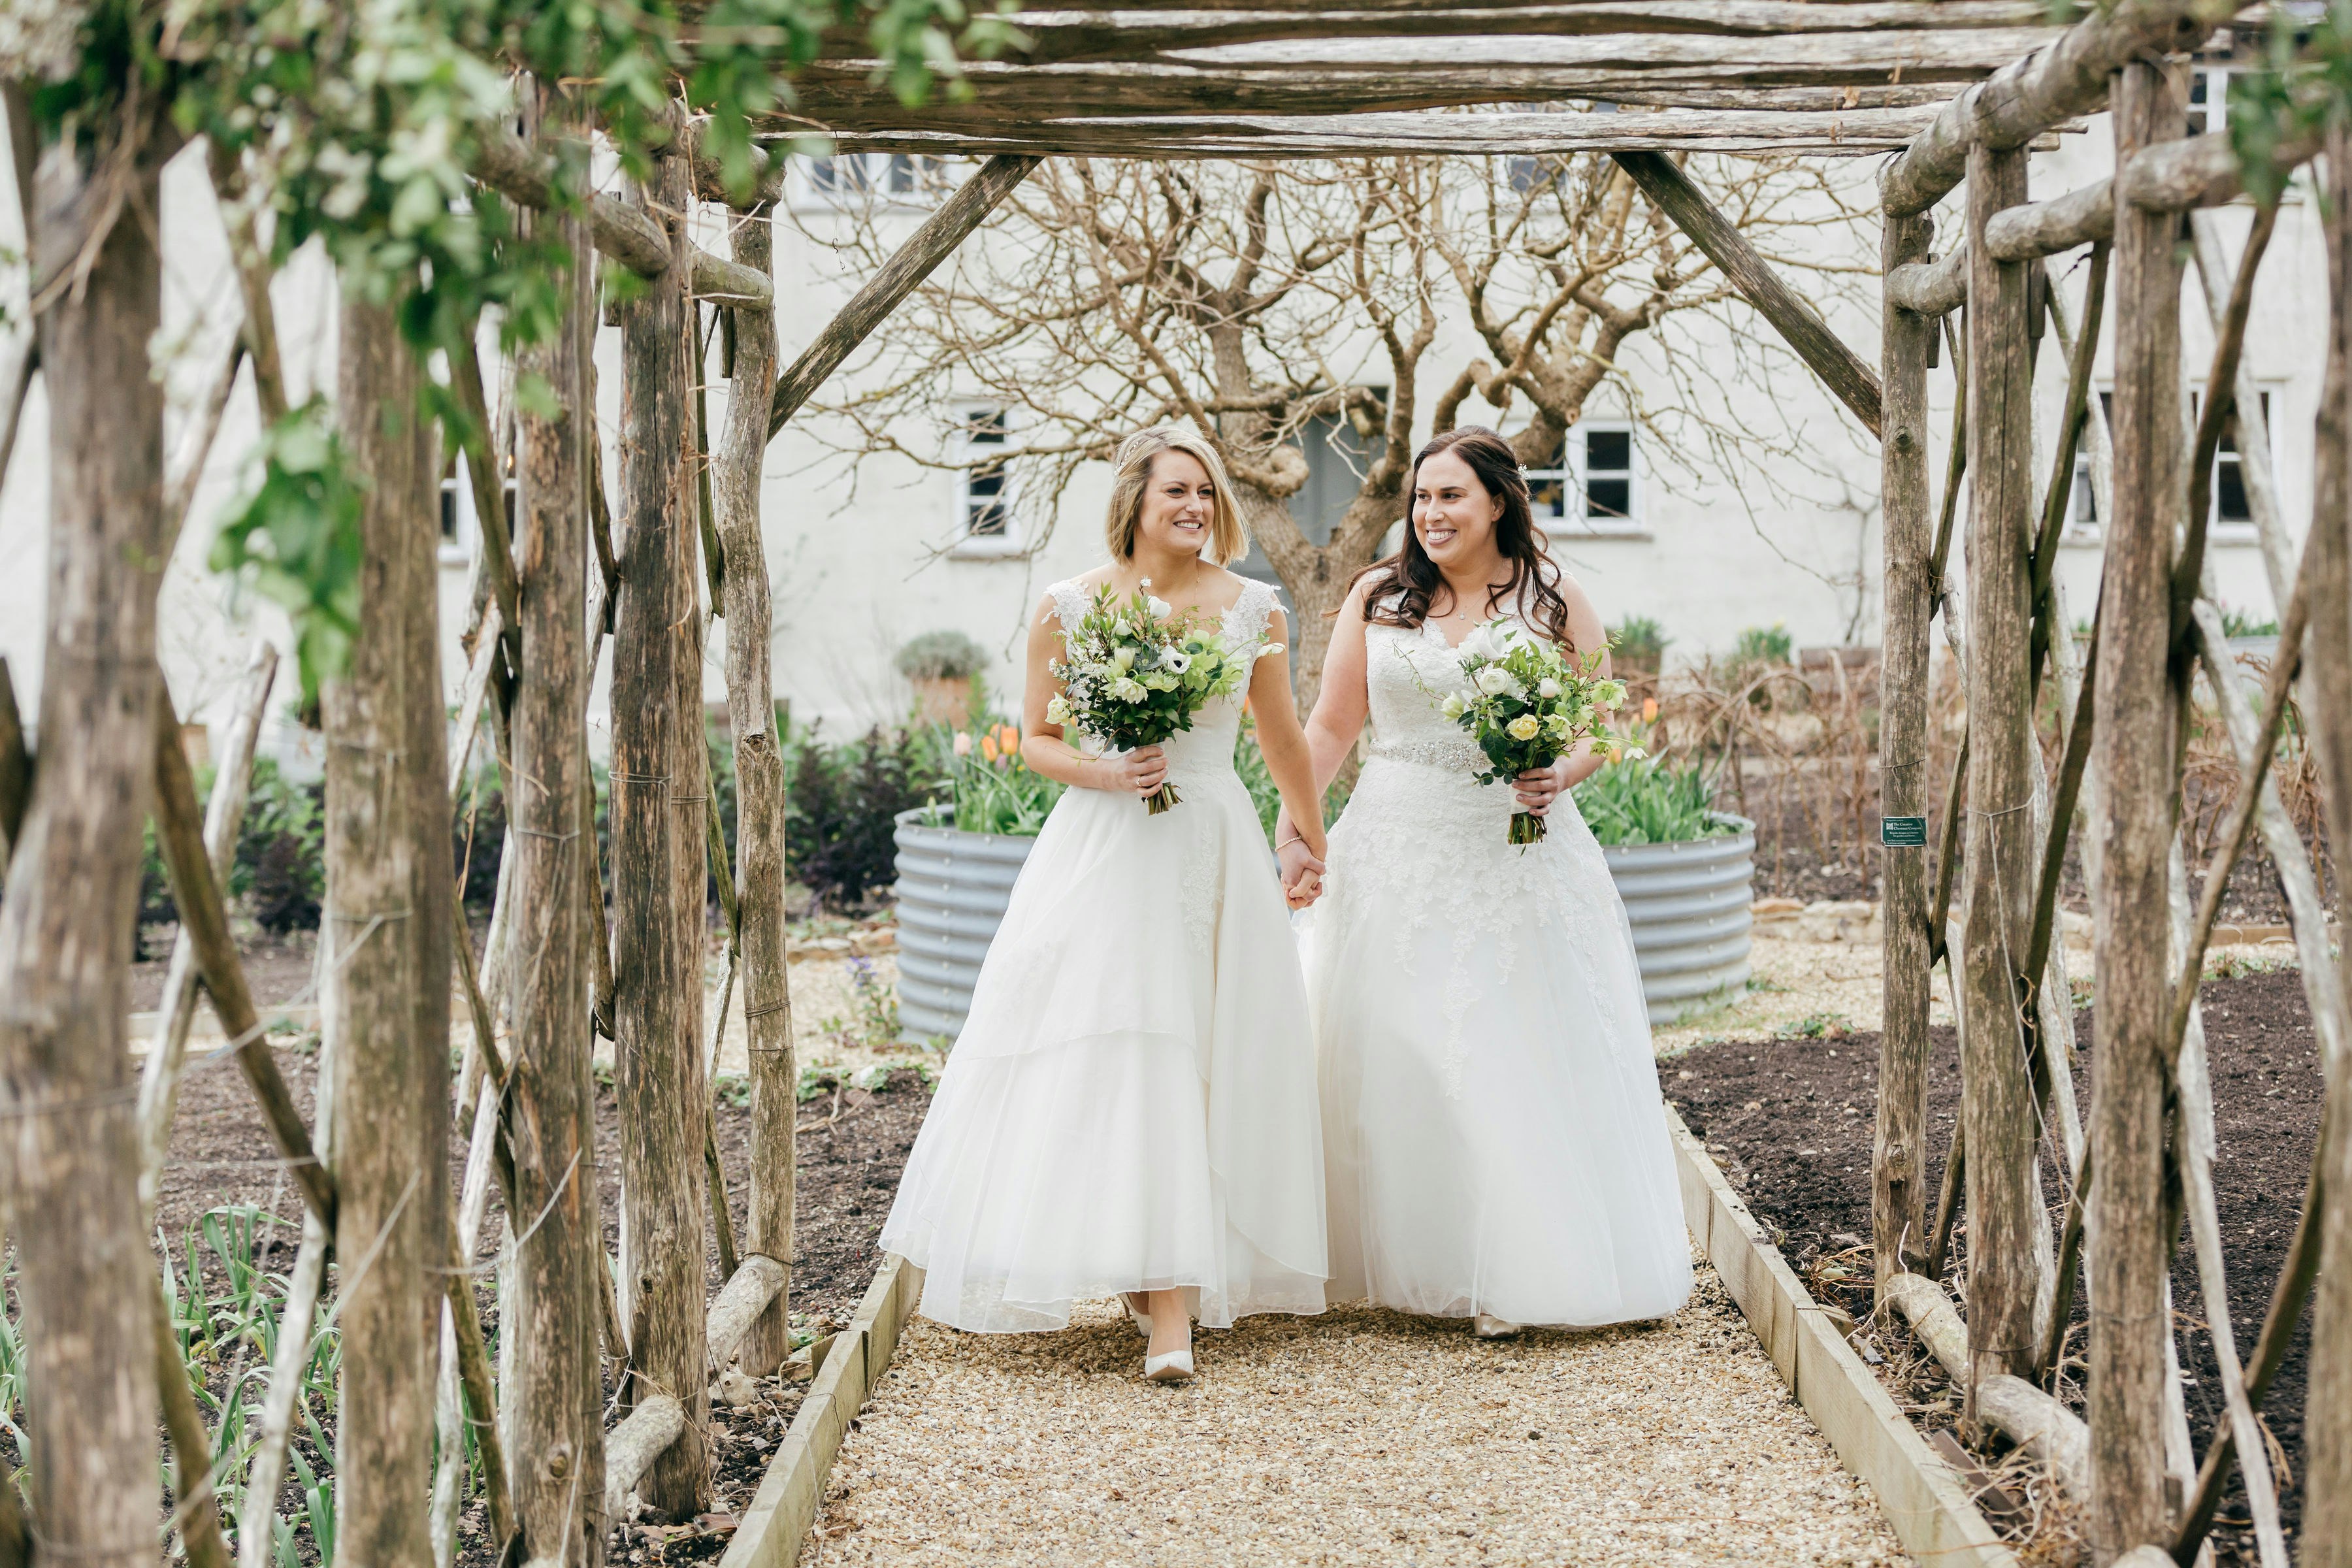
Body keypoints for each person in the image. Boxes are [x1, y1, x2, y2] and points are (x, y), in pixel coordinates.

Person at [880, 427, 1331, 1382]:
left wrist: (1306, 831)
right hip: (1106, 848)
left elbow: (1283, 735)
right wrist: (1106, 769)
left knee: (1206, 1044)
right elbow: (1035, 738)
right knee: (1132, 1040)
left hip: (1212, 841)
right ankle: (1166, 1301)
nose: (1197, 509)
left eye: (1207, 494)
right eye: (1179, 491)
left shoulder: (1256, 607)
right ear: (1135, 499)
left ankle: (1167, 1277)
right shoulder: (1068, 605)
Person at [1277, 425, 1692, 1335]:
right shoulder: (1377, 598)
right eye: (1421, 499)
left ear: (1499, 500)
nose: (1430, 514)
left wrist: (1563, 773)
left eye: (1450, 496)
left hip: (1518, 851)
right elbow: (1330, 728)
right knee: (1398, 1044)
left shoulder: (1553, 599)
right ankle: (1397, 1255)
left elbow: (1600, 723)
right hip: (1395, 843)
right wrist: (1296, 834)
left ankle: (1513, 1265)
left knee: (1507, 1046)